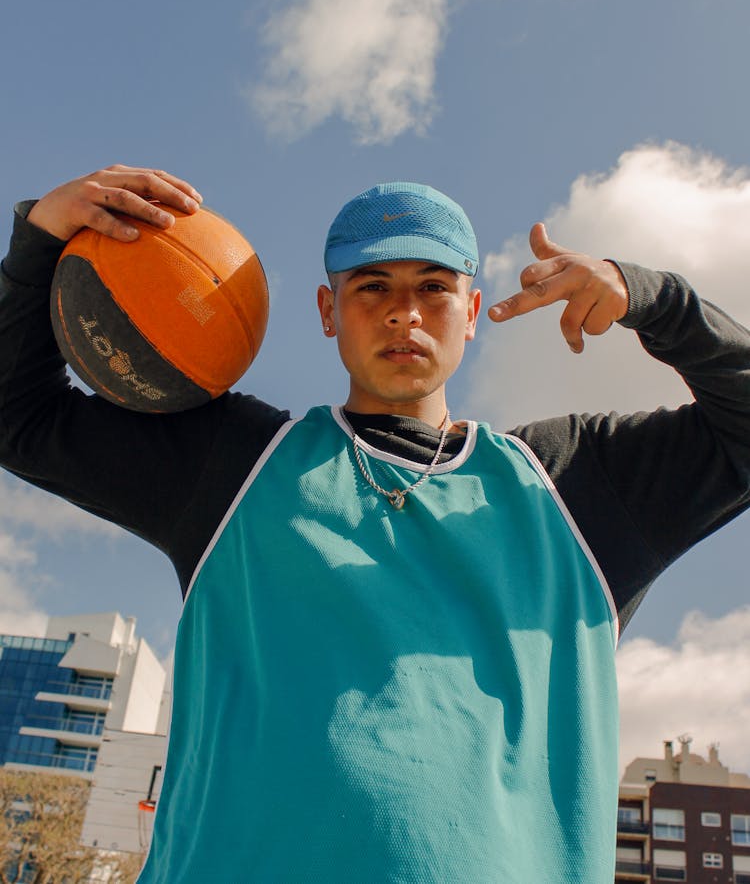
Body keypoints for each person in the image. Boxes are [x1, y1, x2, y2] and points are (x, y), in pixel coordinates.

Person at [1, 165, 748, 883]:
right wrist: (40, 236)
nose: (404, 310)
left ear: (471, 312)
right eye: (372, 287)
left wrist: (654, 299)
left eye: (433, 287)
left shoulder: (577, 489)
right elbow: (18, 416)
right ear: (328, 312)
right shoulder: (235, 467)